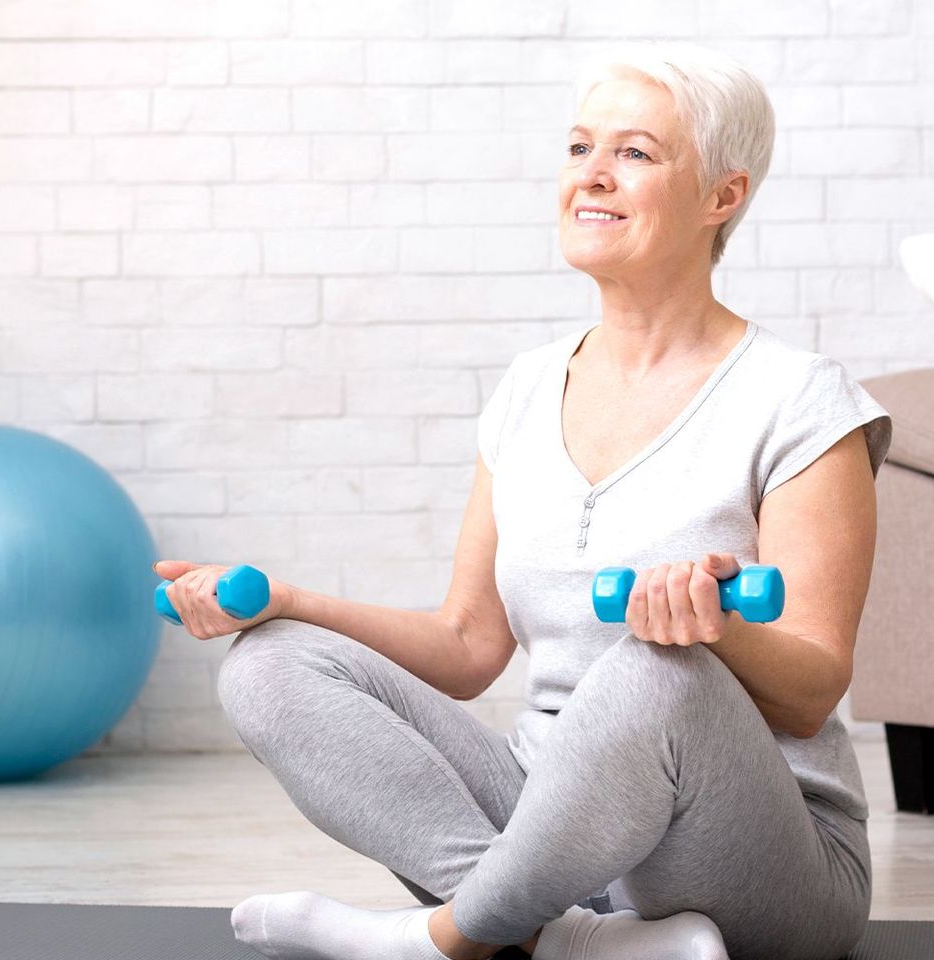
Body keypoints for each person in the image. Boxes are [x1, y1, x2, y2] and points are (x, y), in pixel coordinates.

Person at [156, 41, 893, 960]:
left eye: (635, 153)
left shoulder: (799, 398)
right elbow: (468, 647)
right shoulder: (527, 388)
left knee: (653, 667)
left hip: (758, 855)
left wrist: (712, 632)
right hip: (549, 831)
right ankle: (568, 935)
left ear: (722, 196)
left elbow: (814, 687)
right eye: (580, 147)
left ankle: (441, 939)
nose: (592, 175)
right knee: (268, 665)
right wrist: (291, 605)